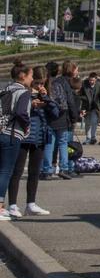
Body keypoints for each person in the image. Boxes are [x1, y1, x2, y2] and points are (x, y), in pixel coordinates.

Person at [9, 66, 52, 218]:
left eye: (43, 83)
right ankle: (12, 205)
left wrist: (46, 99)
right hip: (23, 135)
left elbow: (55, 112)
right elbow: (17, 111)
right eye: (37, 82)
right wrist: (31, 104)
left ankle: (31, 204)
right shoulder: (24, 93)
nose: (40, 86)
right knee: (17, 171)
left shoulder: (45, 94)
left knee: (34, 172)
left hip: (40, 136)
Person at [0, 61, 33, 221]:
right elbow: (21, 112)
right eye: (31, 76)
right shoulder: (23, 93)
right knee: (6, 171)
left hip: (1, 130)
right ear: (23, 76)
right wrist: (27, 125)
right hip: (13, 133)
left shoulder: (5, 89)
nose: (31, 79)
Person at [42, 60, 78, 179]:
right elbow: (67, 101)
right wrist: (74, 118)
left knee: (49, 144)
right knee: (63, 143)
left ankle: (47, 170)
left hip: (50, 117)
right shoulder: (59, 84)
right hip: (62, 117)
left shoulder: (45, 84)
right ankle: (64, 168)